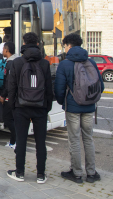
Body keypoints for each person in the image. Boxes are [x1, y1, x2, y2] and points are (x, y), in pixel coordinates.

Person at [54, 33, 104, 184]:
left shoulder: (65, 64)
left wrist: (63, 102)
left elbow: (59, 88)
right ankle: (91, 173)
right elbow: (100, 86)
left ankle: (76, 173)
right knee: (88, 139)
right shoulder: (91, 62)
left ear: (69, 46)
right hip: (89, 107)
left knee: (74, 139)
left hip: (73, 108)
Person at [7, 32, 52, 184]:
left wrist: (13, 105)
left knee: (21, 140)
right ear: (38, 44)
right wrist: (47, 107)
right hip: (40, 107)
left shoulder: (17, 62)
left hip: (21, 106)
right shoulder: (45, 63)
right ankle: (40, 174)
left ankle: (19, 172)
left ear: (24, 43)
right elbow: (49, 88)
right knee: (41, 142)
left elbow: (11, 86)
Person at [0, 42, 19, 149]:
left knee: (7, 118)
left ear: (6, 50)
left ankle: (14, 141)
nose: (2, 52)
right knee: (13, 118)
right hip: (17, 95)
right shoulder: (18, 60)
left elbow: (8, 82)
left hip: (10, 95)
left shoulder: (10, 63)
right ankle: (13, 141)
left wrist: (3, 95)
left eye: (3, 49)